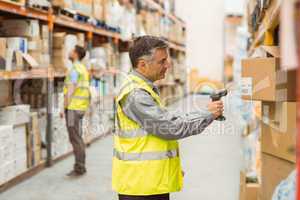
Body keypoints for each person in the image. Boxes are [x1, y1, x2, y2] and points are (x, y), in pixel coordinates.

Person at [112, 36, 224, 200]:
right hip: (140, 187)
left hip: (149, 181)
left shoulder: (144, 88)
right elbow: (170, 127)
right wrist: (208, 114)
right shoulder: (136, 94)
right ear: (143, 65)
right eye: (162, 61)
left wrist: (170, 166)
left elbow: (165, 120)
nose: (168, 65)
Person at [62, 45, 90, 177]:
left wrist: (64, 107)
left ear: (76, 54)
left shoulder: (74, 69)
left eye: (71, 50)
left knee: (75, 139)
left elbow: (71, 89)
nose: (69, 51)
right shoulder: (82, 68)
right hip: (80, 106)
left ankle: (79, 168)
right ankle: (80, 166)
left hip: (73, 108)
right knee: (77, 137)